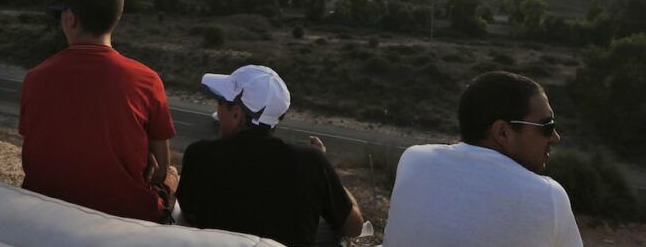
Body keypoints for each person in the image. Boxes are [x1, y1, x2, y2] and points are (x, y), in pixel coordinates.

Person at [18, 0, 177, 223]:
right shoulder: (147, 80)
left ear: (70, 18)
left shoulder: (35, 78)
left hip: (45, 213)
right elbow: (158, 173)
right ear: (118, 15)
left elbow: (34, 158)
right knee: (172, 175)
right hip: (128, 217)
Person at [382, 71, 582, 247]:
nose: (555, 137)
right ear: (503, 132)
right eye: (547, 126)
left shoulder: (414, 159)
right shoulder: (548, 196)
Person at [176, 65, 364, 247]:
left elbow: (188, 215)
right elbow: (354, 227)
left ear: (236, 113)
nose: (217, 111)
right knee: (336, 229)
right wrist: (326, 171)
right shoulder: (311, 161)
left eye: (220, 103)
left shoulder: (199, 155)